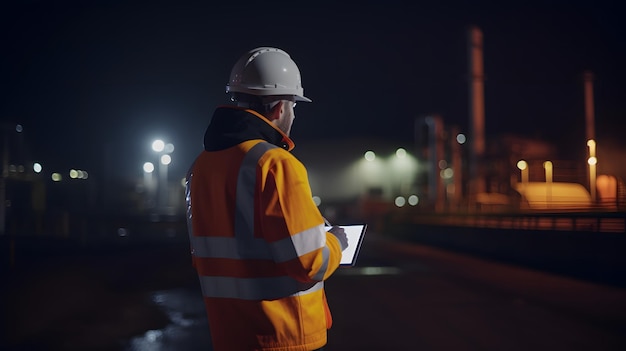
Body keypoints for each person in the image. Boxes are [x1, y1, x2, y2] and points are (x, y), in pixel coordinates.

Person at [185, 47, 349, 351]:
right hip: (282, 336)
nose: (293, 114)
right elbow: (310, 262)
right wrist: (336, 240)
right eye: (294, 106)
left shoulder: (200, 167)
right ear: (279, 109)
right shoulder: (277, 164)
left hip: (229, 336)